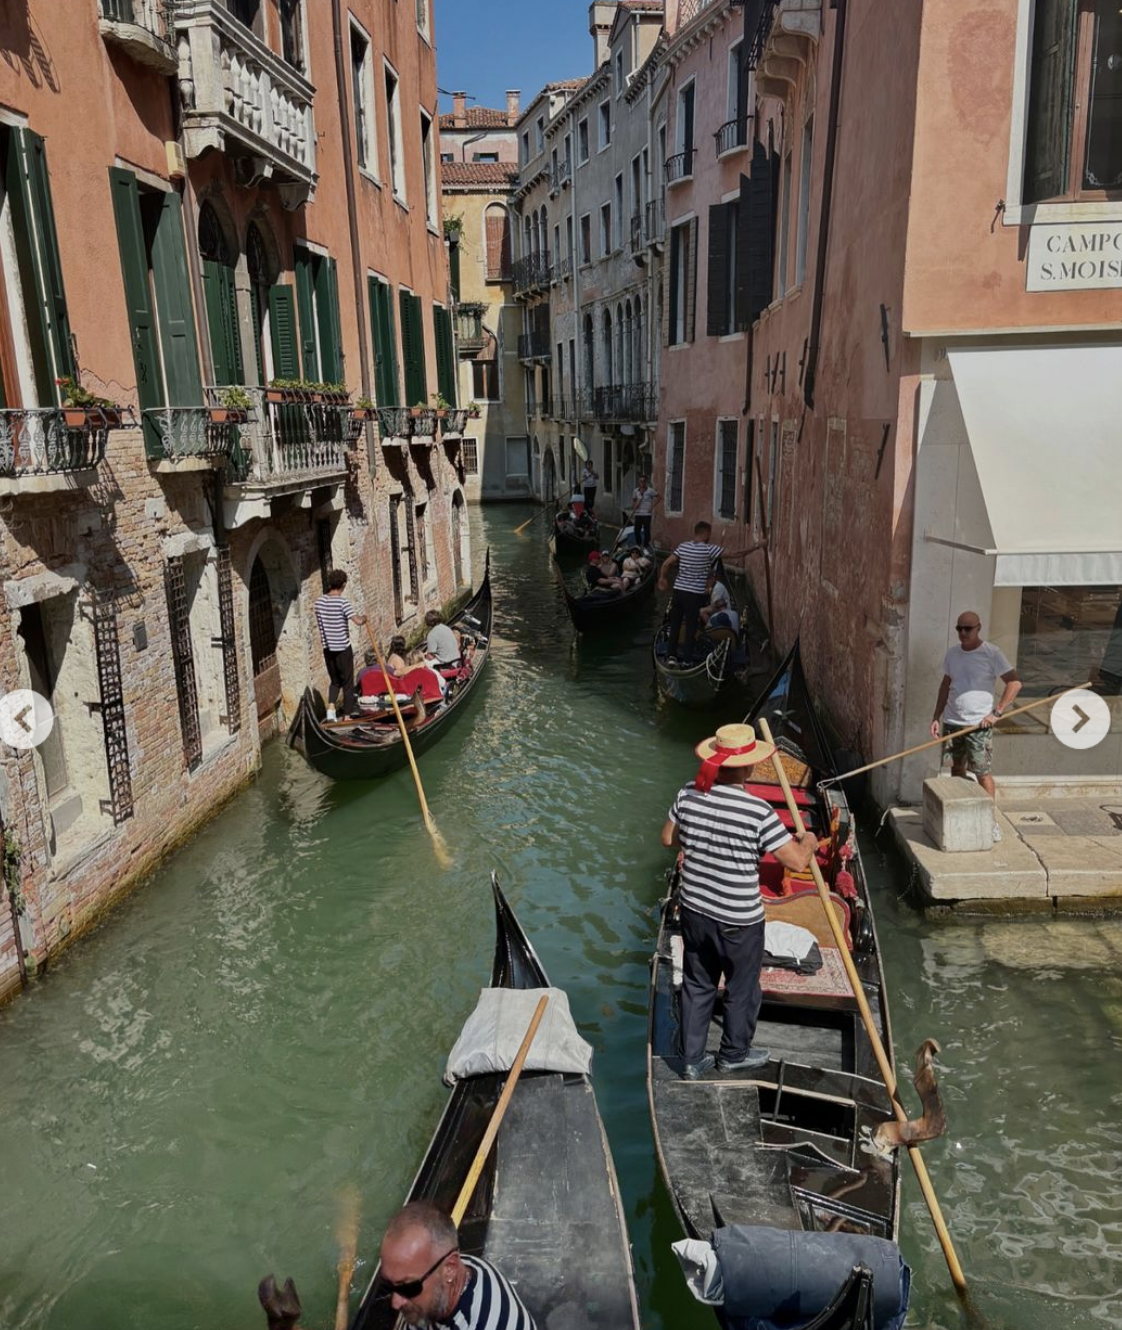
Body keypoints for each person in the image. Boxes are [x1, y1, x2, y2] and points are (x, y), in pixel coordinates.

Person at [661, 723, 820, 1080]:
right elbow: (795, 861)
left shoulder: (688, 793)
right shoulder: (758, 811)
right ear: (749, 767)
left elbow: (667, 838)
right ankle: (733, 1054)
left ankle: (691, 1060)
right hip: (739, 920)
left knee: (697, 984)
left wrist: (700, 839)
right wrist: (808, 840)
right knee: (741, 987)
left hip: (694, 910)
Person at [930, 611, 1022, 841]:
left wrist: (997, 712)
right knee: (956, 770)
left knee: (982, 773)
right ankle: (960, 815)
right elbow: (945, 685)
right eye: (959, 629)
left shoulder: (992, 654)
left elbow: (1015, 682)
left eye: (967, 629)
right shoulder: (952, 654)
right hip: (952, 722)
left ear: (978, 628)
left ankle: (990, 821)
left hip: (978, 725)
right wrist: (936, 717)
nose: (962, 633)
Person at [377, 1201, 536, 1329]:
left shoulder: (485, 1323)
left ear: (450, 1269)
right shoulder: (449, 1268)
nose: (395, 1303)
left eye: (408, 1288)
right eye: (387, 1285)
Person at [658, 522, 754, 665]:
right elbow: (735, 554)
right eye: (710, 533)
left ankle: (671, 657)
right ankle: (687, 661)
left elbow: (666, 564)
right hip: (694, 595)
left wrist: (662, 578)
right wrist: (757, 546)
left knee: (675, 624)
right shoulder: (709, 549)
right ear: (706, 533)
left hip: (678, 592)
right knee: (691, 628)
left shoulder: (682, 546)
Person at [313, 569, 367, 722]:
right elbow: (357, 621)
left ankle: (331, 710)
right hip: (343, 649)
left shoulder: (319, 602)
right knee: (348, 683)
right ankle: (347, 716)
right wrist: (364, 619)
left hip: (328, 649)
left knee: (335, 680)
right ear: (343, 585)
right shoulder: (343, 603)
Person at [630, 475, 659, 550]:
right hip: (638, 513)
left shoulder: (650, 490)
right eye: (640, 481)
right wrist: (634, 506)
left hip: (647, 513)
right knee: (637, 530)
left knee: (646, 530)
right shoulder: (635, 491)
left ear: (645, 482)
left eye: (643, 481)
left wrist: (652, 508)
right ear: (638, 482)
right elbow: (633, 500)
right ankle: (639, 544)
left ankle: (646, 545)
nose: (642, 482)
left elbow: (659, 497)